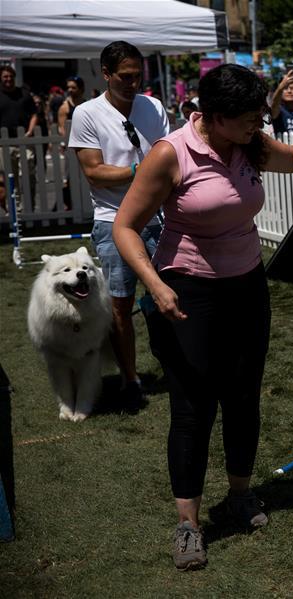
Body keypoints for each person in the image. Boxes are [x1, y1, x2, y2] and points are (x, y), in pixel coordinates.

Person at [112, 63, 293, 571]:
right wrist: (156, 283)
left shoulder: (249, 142)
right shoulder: (172, 154)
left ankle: (240, 494)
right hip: (185, 289)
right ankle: (188, 524)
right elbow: (125, 226)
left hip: (246, 285)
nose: (259, 125)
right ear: (214, 116)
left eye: (259, 117)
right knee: (193, 407)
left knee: (243, 395)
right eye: (250, 118)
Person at [68, 40, 170, 410]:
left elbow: (168, 154)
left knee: (169, 295)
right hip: (113, 221)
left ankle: (174, 364)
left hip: (157, 219)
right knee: (120, 307)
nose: (132, 84)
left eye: (137, 76)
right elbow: (94, 172)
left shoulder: (153, 105)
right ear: (106, 74)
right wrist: (138, 171)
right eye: (124, 77)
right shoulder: (87, 114)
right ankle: (130, 378)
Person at [0, 65, 38, 214]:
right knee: (10, 178)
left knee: (28, 175)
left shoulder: (24, 94)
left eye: (10, 76)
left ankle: (30, 207)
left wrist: (29, 131)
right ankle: (15, 210)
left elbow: (34, 114)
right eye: (5, 77)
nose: (8, 79)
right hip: (4, 143)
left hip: (25, 141)